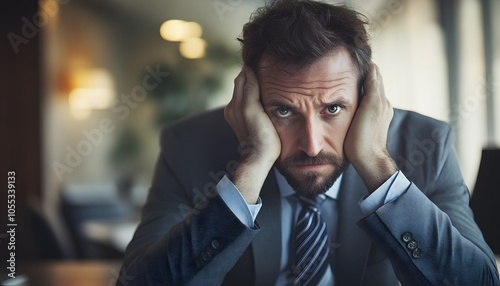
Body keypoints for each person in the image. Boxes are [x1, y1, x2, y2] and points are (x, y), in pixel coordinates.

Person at [118, 1, 500, 285]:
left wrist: (375, 164)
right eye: (283, 111)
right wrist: (250, 168)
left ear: (367, 97)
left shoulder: (427, 145)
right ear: (248, 99)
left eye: (333, 108)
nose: (312, 145)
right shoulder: (187, 147)